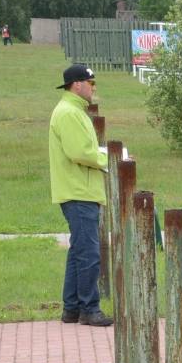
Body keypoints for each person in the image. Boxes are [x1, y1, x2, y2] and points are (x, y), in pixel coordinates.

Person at [48, 64, 113, 327]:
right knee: (89, 254)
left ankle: (72, 308)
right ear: (77, 84)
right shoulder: (69, 113)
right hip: (78, 191)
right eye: (91, 83)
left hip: (78, 189)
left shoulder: (73, 110)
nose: (93, 87)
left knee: (78, 251)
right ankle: (89, 308)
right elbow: (80, 152)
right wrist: (110, 159)